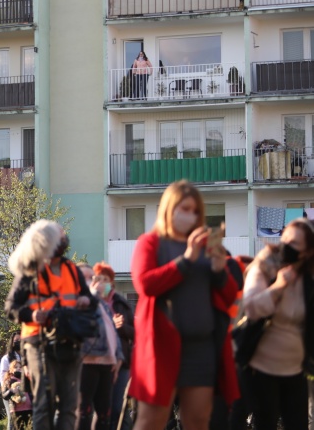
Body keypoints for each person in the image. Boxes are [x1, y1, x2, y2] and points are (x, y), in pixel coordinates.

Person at [129, 180, 238, 430]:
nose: (190, 215)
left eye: (195, 211)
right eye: (184, 209)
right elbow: (145, 284)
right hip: (161, 348)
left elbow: (230, 296)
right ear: (169, 209)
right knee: (151, 421)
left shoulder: (207, 246)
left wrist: (221, 272)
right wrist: (186, 260)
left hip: (202, 348)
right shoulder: (151, 242)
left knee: (199, 421)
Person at [5, 220, 92, 430]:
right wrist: (33, 315)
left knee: (70, 405)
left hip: (70, 342)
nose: (63, 239)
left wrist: (86, 300)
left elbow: (90, 299)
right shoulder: (29, 271)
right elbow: (11, 307)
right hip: (39, 344)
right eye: (58, 235)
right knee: (45, 404)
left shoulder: (71, 269)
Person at [241, 218, 314, 430]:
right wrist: (279, 286)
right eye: (285, 239)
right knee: (265, 424)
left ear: (307, 252)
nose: (286, 247)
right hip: (262, 368)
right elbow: (252, 308)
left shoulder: (308, 277)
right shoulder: (264, 265)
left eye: (294, 244)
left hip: (295, 370)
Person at [77, 263, 124, 430]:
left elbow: (112, 331)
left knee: (104, 413)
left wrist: (118, 358)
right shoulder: (76, 300)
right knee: (84, 411)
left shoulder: (103, 304)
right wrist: (95, 293)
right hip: (86, 362)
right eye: (87, 278)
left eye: (93, 278)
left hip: (107, 363)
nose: (92, 281)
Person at [93, 263, 136, 430]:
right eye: (99, 279)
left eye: (106, 279)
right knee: (100, 409)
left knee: (118, 408)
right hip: (96, 363)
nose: (102, 283)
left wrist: (122, 328)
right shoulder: (89, 303)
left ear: (112, 283)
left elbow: (135, 333)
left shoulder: (121, 304)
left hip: (122, 363)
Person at [0, 332, 23, 430]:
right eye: (16, 341)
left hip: (25, 391)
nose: (18, 343)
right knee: (12, 419)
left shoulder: (28, 355)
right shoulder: (6, 358)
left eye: (20, 340)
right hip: (11, 392)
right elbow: (2, 377)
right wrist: (7, 390)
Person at [2, 359, 33, 430]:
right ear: (11, 370)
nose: (18, 368)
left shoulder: (26, 379)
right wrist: (11, 391)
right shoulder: (9, 380)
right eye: (16, 367)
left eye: (20, 367)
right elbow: (4, 396)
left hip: (29, 409)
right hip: (16, 411)